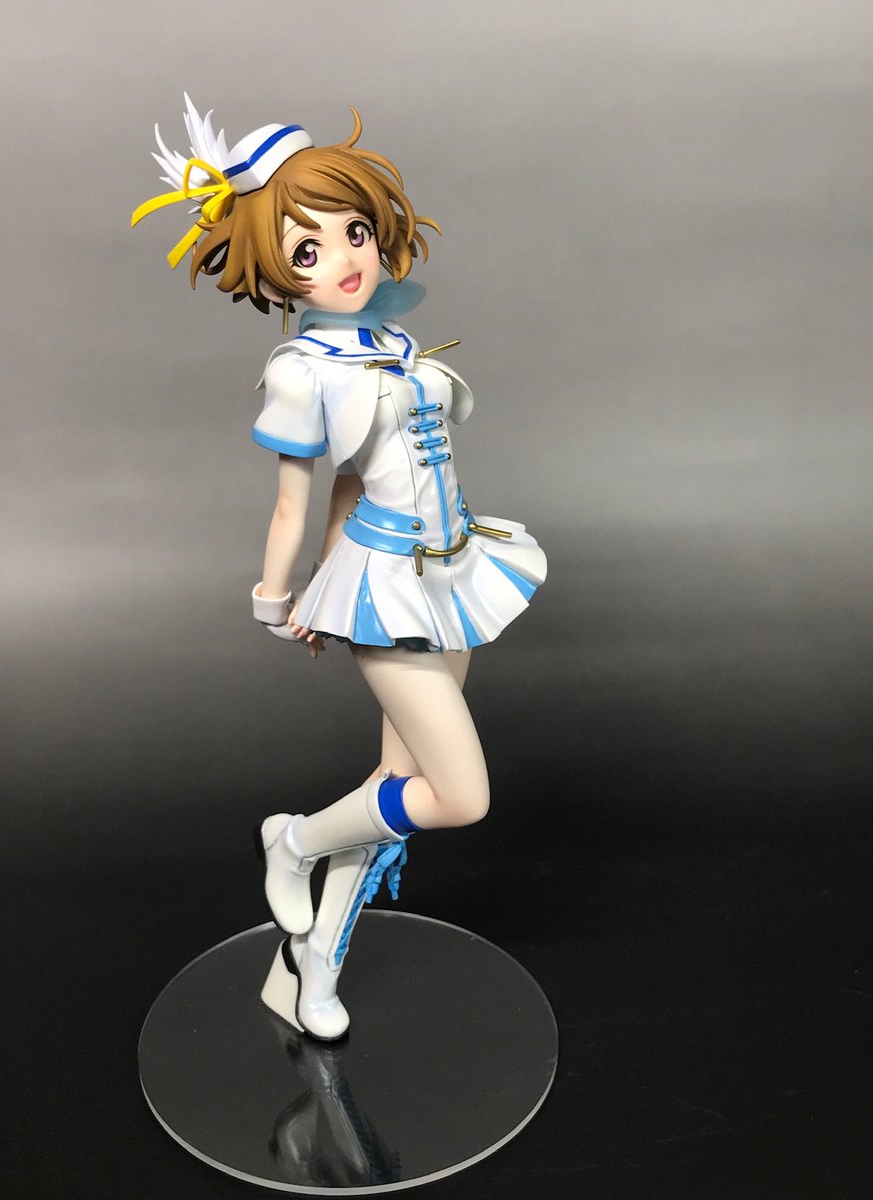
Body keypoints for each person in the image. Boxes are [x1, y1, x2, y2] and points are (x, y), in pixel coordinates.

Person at [133, 96, 547, 1040]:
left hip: (449, 574)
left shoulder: (391, 340)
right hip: (391, 588)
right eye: (307, 248)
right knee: (458, 797)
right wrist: (280, 599)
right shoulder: (301, 369)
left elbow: (355, 482)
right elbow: (294, 498)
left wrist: (328, 574)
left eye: (353, 231)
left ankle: (312, 967)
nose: (345, 258)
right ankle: (293, 839)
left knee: (393, 793)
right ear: (274, 268)